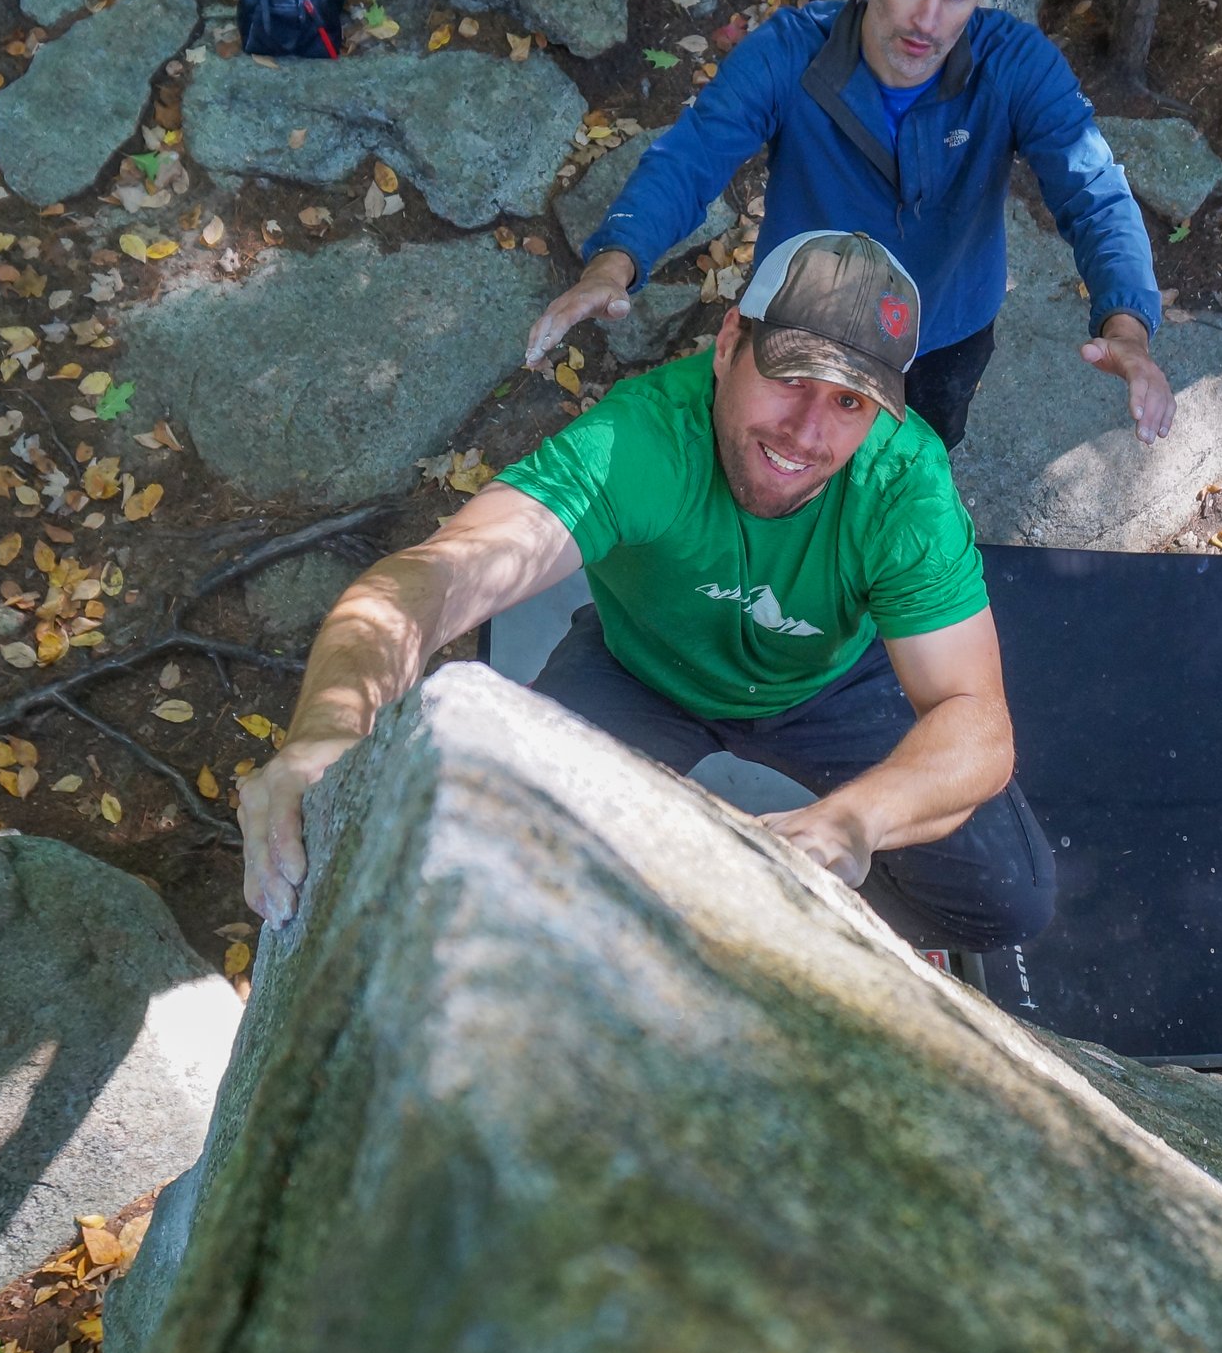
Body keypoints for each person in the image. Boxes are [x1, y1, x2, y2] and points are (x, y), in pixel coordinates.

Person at [241, 231, 1054, 954]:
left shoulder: (903, 481)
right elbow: (438, 574)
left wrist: (857, 821)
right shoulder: (641, 438)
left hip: (827, 682)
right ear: (731, 341)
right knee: (508, 869)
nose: (808, 432)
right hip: (642, 667)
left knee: (1008, 898)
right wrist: (326, 732)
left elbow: (974, 721)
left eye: (849, 402)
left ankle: (834, 941)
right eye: (789, 376)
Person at [523, 0, 1175, 452]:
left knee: (912, 469)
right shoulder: (788, 52)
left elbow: (1094, 192)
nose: (928, 19)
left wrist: (1127, 325)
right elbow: (691, 156)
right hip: (803, 324)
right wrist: (615, 262)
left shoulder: (1016, 65)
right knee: (783, 467)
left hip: (943, 332)